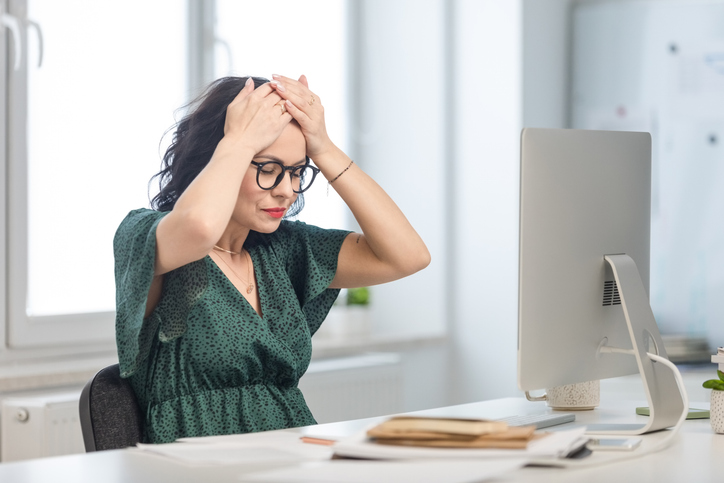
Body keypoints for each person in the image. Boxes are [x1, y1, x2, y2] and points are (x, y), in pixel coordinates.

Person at [113, 74, 430, 444]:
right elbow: (200, 227)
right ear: (217, 155)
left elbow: (409, 256)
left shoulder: (282, 248)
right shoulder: (143, 234)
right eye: (267, 168)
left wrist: (324, 148)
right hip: (202, 468)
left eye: (297, 172)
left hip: (293, 458)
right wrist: (239, 141)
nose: (287, 190)